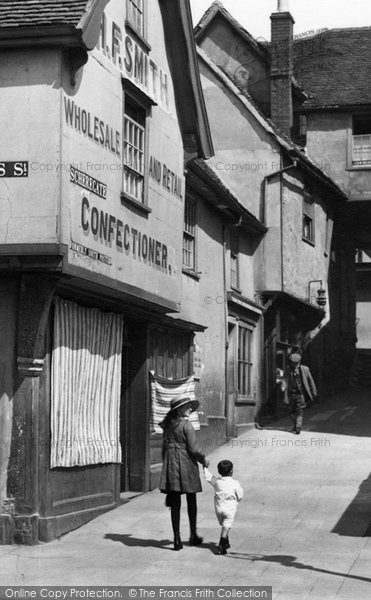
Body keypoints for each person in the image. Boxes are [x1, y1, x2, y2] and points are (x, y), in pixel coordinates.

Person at [159, 395, 209, 551]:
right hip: (187, 464)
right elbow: (193, 450)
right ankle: (193, 535)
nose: (190, 409)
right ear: (179, 410)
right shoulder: (187, 426)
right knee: (191, 500)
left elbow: (164, 449)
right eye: (187, 407)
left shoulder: (167, 425)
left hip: (171, 465)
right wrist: (204, 460)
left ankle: (176, 539)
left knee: (175, 504)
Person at [204, 460, 243, 555]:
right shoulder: (235, 483)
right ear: (231, 471)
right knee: (227, 525)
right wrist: (237, 499)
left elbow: (208, 477)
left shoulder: (217, 482)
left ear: (219, 471)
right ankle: (222, 543)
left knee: (224, 525)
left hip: (219, 508)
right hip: (230, 508)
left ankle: (226, 542)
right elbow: (240, 496)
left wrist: (205, 467)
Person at [284, 353, 318, 434]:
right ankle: (296, 425)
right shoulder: (288, 370)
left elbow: (311, 381)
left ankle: (298, 426)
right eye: (293, 363)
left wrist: (314, 392)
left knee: (300, 411)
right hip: (291, 394)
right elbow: (285, 381)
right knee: (290, 412)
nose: (295, 364)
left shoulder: (305, 369)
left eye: (296, 363)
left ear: (299, 362)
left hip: (301, 394)